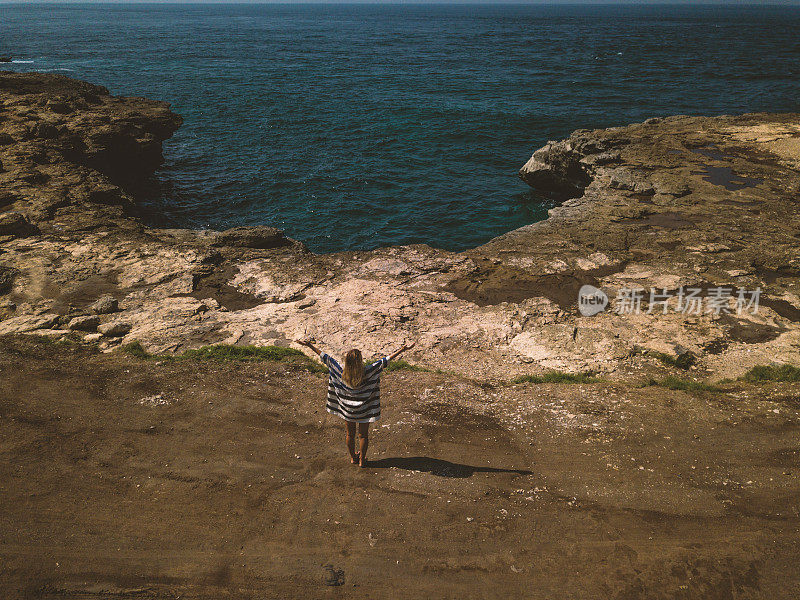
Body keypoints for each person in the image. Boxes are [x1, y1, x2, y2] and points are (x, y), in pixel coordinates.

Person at [296, 339, 415, 467]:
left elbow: (326, 358)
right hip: (365, 410)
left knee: (350, 434)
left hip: (348, 411)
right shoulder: (368, 371)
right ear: (360, 362)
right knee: (363, 435)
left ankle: (353, 457)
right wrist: (403, 349)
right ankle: (362, 460)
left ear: (347, 361)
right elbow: (385, 361)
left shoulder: (341, 371)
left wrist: (309, 345)